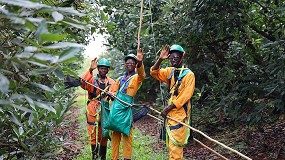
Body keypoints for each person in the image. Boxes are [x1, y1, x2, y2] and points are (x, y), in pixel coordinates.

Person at [150, 44, 195, 160]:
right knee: (171, 147)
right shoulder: (171, 72)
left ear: (182, 57)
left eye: (176, 57)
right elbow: (154, 72)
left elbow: (186, 95)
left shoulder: (189, 75)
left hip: (179, 115)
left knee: (176, 149)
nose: (173, 60)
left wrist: (168, 108)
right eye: (171, 58)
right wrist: (160, 59)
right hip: (170, 116)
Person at [107, 49, 146, 160]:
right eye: (128, 63)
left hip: (127, 109)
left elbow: (142, 75)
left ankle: (126, 158)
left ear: (135, 65)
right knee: (115, 136)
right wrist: (111, 94)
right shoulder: (119, 79)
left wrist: (140, 62)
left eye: (133, 63)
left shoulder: (137, 77)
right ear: (125, 64)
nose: (130, 64)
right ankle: (114, 158)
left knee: (127, 136)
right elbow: (113, 91)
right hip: (117, 109)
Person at [81, 57, 115, 160]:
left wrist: (112, 95)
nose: (103, 70)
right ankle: (94, 157)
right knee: (93, 133)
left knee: (104, 133)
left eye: (105, 68)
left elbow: (115, 95)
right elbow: (83, 83)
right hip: (93, 108)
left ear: (108, 70)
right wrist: (90, 69)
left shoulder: (111, 82)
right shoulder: (92, 80)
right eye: (101, 68)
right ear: (98, 69)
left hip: (104, 108)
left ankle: (103, 157)